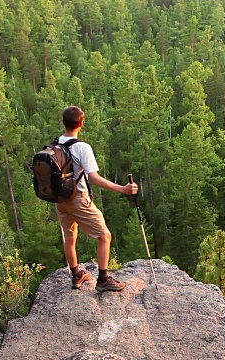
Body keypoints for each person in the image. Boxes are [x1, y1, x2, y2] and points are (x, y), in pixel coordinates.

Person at [55, 106, 138, 291]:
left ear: (64, 122)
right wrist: (122, 189)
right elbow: (94, 178)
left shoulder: (56, 144)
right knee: (104, 236)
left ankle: (77, 275)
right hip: (78, 199)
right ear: (81, 123)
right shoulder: (82, 147)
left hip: (60, 199)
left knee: (70, 237)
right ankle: (103, 279)